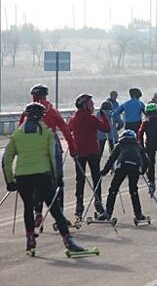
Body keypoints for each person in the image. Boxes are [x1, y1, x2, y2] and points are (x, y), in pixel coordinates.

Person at [4, 103, 88, 256]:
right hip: (42, 174)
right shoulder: (46, 133)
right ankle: (68, 241)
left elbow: (6, 159)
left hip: (22, 176)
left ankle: (30, 240)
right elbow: (54, 156)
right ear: (42, 116)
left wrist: (10, 181)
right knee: (54, 208)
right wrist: (58, 177)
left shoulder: (17, 135)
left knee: (28, 207)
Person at [18, 84, 76, 227]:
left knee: (38, 181)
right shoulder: (52, 111)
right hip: (53, 147)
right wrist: (73, 148)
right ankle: (60, 215)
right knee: (57, 181)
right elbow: (65, 130)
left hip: (34, 150)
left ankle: (38, 212)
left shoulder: (27, 112)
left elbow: (20, 132)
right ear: (45, 95)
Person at [69, 94, 111, 220]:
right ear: (84, 105)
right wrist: (104, 116)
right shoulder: (91, 119)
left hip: (79, 152)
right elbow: (107, 129)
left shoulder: (73, 119)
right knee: (96, 177)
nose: (92, 106)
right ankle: (98, 204)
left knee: (80, 180)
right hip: (93, 151)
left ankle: (79, 206)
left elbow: (68, 130)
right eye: (90, 104)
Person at [98, 130, 149, 222]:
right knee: (133, 190)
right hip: (135, 166)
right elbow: (146, 161)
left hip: (122, 166)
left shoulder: (119, 145)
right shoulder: (138, 146)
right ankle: (138, 215)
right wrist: (142, 171)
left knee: (113, 189)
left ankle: (108, 213)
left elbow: (111, 159)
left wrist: (104, 171)